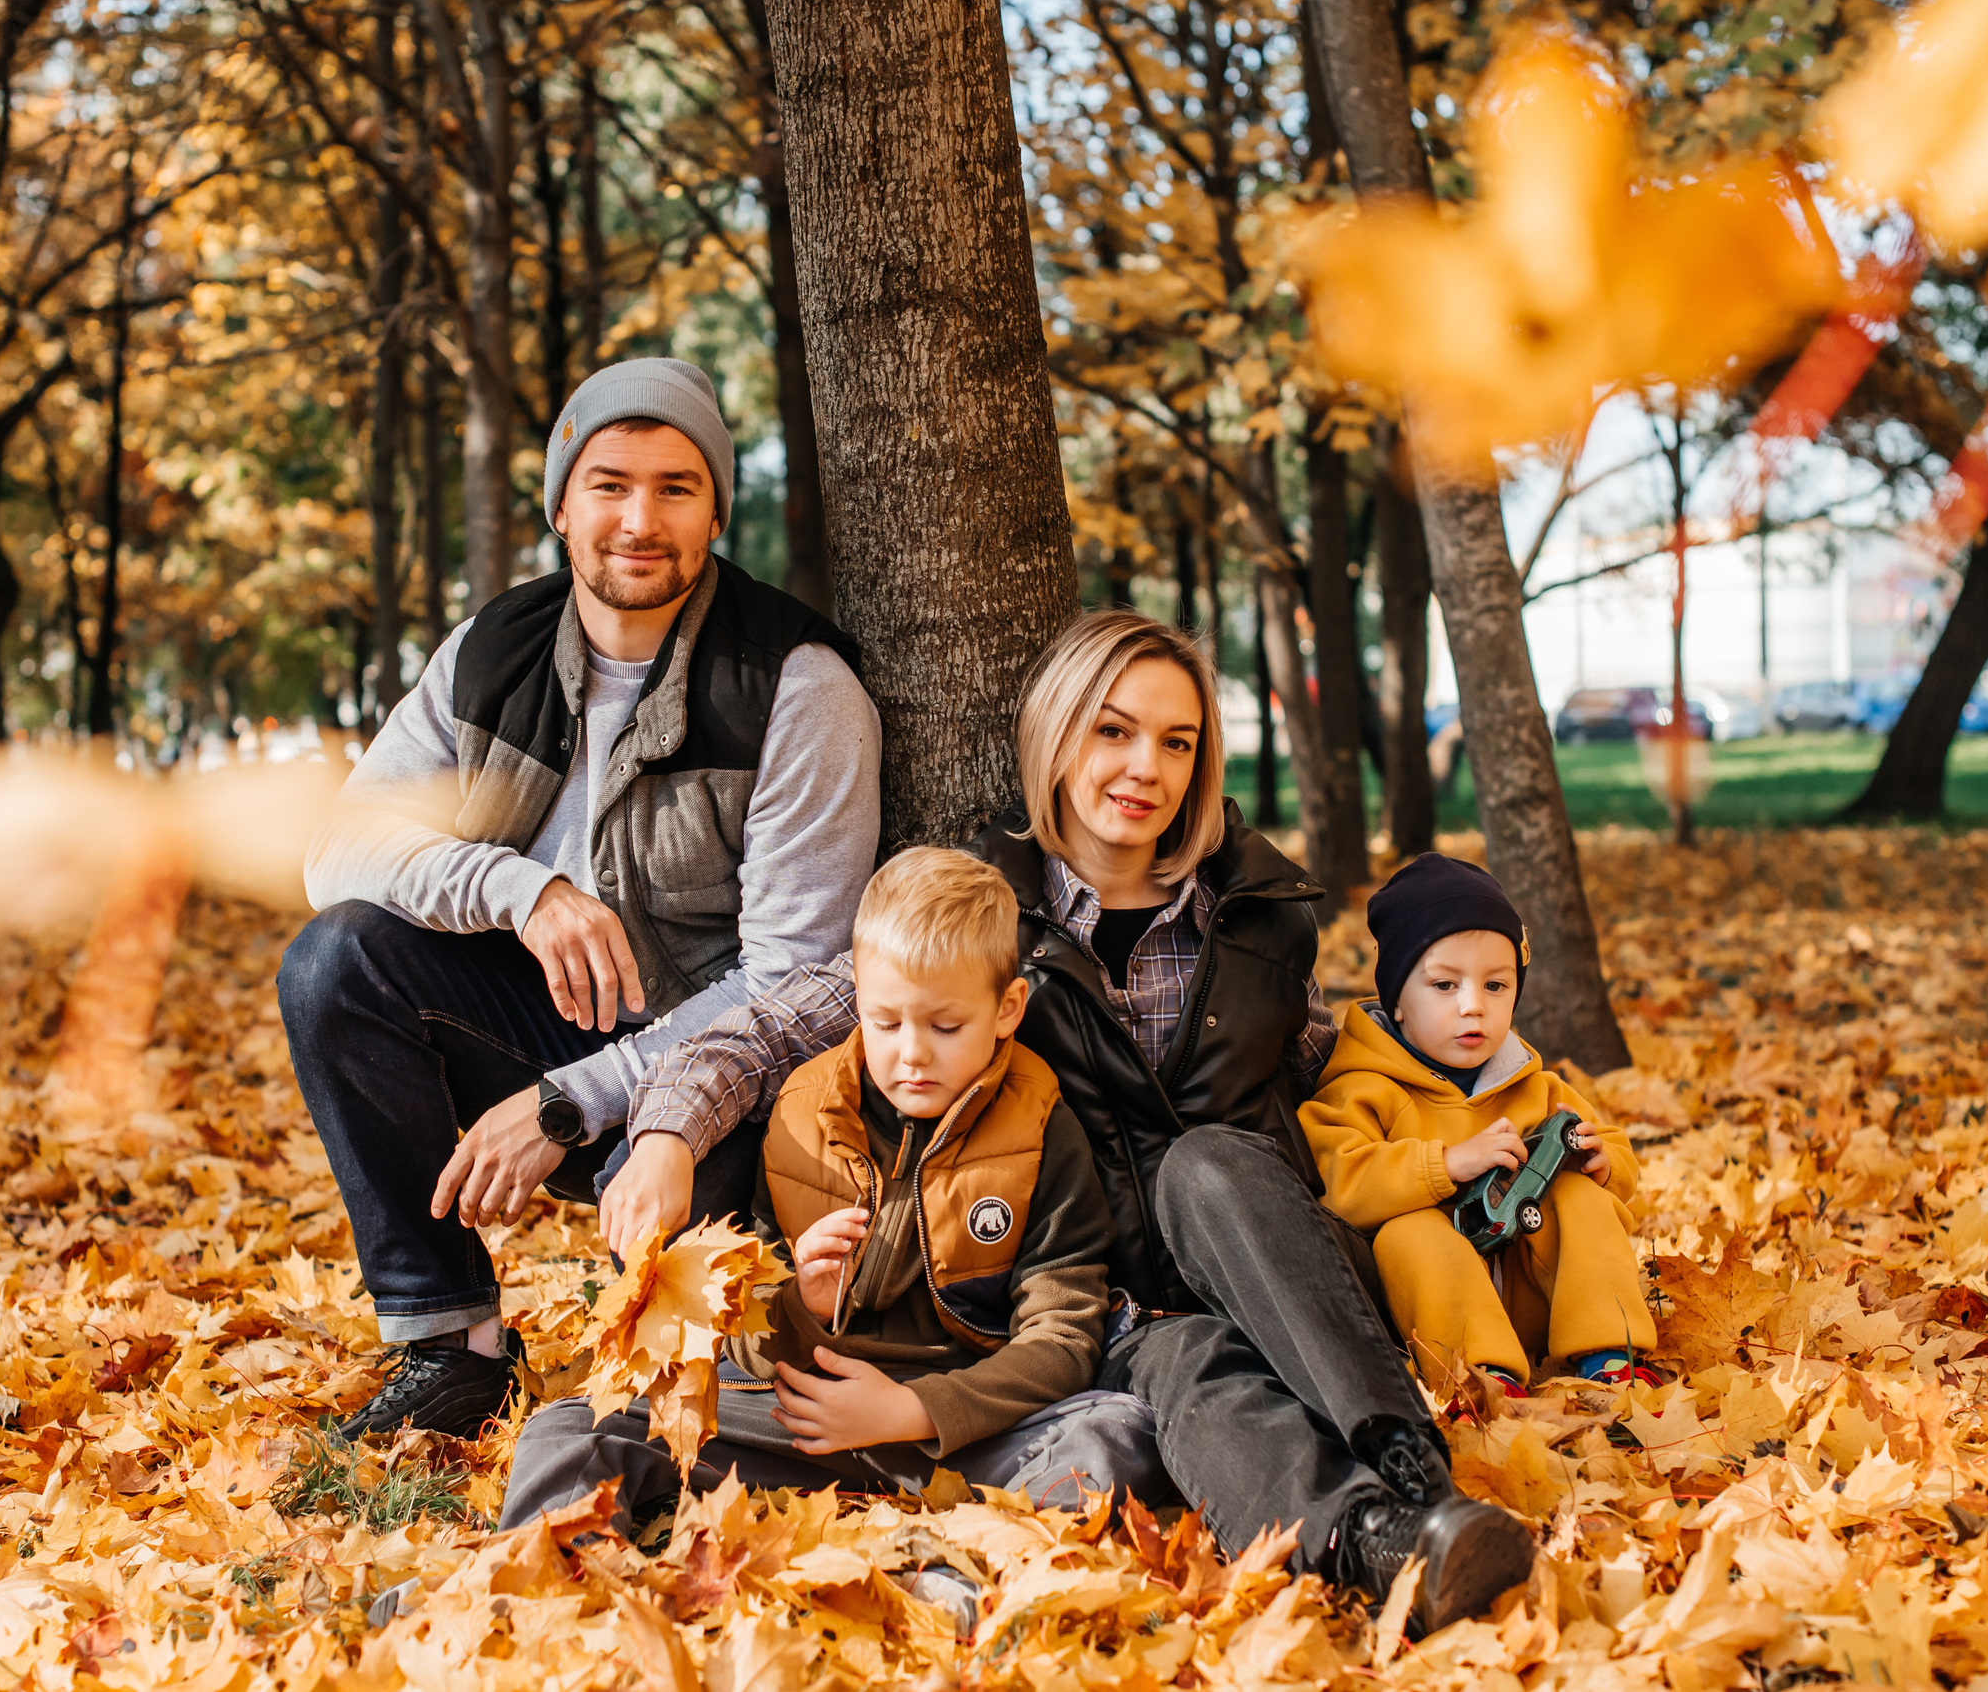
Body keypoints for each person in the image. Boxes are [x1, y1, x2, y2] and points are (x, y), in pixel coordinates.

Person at [562, 611, 1536, 1635]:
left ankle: (1414, 1470)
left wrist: (1531, 1122)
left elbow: (1360, 1058)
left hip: (1272, 1262)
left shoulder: (1257, 914)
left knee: (1204, 1165)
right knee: (1191, 1378)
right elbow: (758, 1032)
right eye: (1111, 731)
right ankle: (1387, 1550)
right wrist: (665, 1132)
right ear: (1055, 735)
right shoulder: (984, 923)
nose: (1143, 766)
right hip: (1101, 1306)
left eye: (1177, 741)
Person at [279, 357, 882, 1438]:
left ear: (714, 510)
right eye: (608, 483)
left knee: (699, 1375)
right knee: (337, 959)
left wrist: (576, 1099)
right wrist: (521, 888)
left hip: (722, 1075)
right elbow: (337, 844)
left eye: (676, 486)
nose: (638, 519)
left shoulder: (796, 685)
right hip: (541, 1014)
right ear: (561, 503)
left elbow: (800, 979)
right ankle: (450, 1344)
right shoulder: (489, 654)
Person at [499, 847, 1161, 1535]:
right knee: (573, 1425)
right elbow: (744, 1336)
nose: (912, 1051)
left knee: (1116, 1433)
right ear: (860, 1007)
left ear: (1007, 1008)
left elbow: (1062, 1335)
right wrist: (800, 1303)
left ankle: (959, 1575)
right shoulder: (801, 1113)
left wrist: (919, 1409)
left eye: (945, 1025)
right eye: (886, 1021)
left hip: (967, 1428)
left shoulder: (1042, 1126)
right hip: (797, 1418)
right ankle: (540, 1575)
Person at [1300, 854, 1661, 1392]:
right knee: (1409, 1231)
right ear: (1397, 1000)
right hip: (1435, 1316)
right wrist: (1445, 1164)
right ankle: (1480, 1378)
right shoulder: (1362, 1086)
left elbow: (1611, 1148)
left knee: (1580, 1197)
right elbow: (1341, 1184)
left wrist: (1603, 1162)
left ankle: (1610, 1354)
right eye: (1445, 986)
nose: (1474, 1006)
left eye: (1496, 986)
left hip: (1532, 1296)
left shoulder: (1532, 1084)